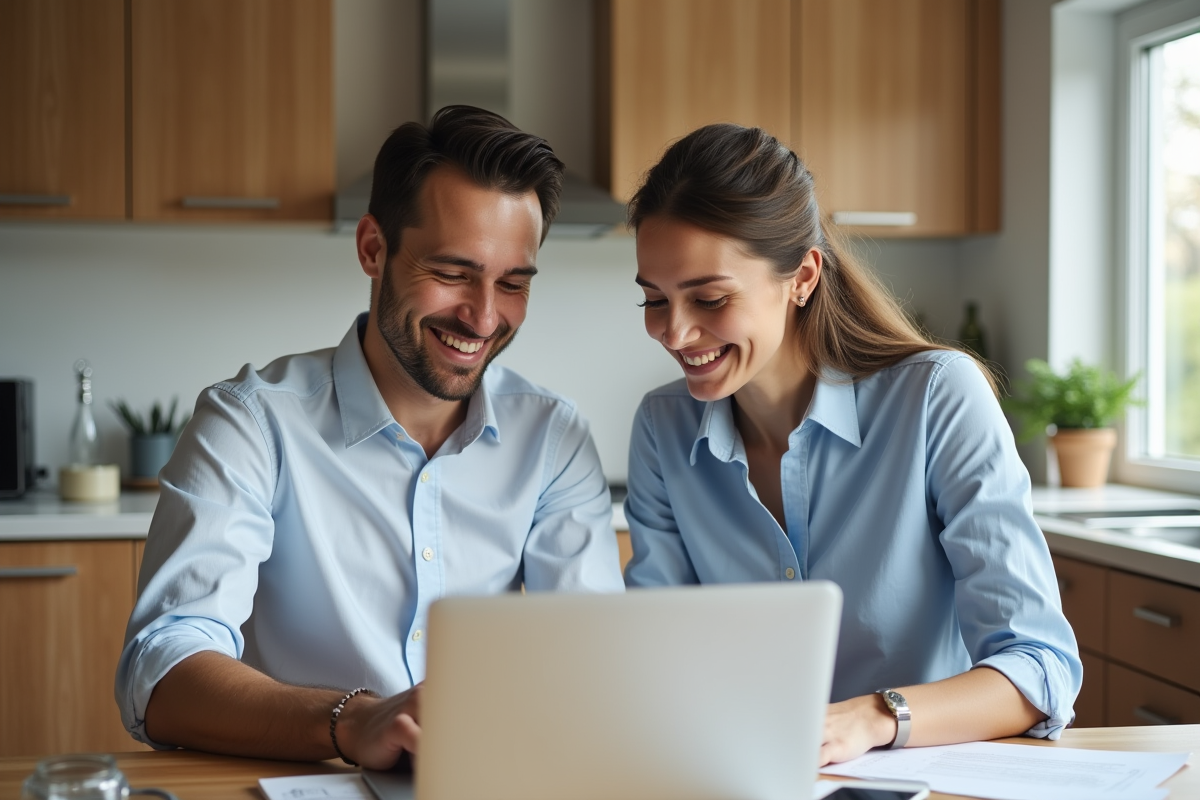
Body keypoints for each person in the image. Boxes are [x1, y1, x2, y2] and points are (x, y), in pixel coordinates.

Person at [116, 106, 624, 768]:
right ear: (372, 249)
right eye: (452, 273)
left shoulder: (553, 438)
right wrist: (352, 722)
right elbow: (161, 672)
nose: (483, 315)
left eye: (513, 283)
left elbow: (590, 661)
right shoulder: (251, 423)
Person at [622, 123, 1082, 766]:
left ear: (802, 276)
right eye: (653, 299)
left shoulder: (935, 398)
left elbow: (1040, 668)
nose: (674, 331)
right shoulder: (662, 429)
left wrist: (874, 718)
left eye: (709, 298)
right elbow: (658, 658)